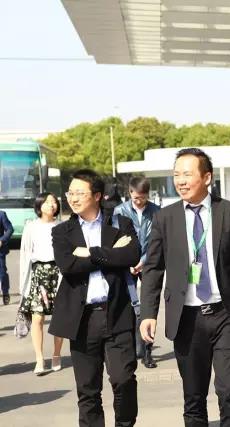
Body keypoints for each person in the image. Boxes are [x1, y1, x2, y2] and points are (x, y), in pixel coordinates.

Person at [140, 148, 230, 427]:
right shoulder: (165, 218)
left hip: (226, 315)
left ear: (207, 177)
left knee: (229, 390)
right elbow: (153, 268)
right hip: (186, 318)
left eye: (187, 174)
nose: (180, 181)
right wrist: (148, 313)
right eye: (176, 175)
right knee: (194, 396)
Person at [50, 169, 141, 427]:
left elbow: (131, 255)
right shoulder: (62, 231)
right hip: (82, 319)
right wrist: (109, 254)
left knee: (124, 380)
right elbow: (68, 266)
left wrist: (88, 252)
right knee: (88, 389)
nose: (73, 198)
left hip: (117, 313)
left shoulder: (120, 223)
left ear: (97, 195)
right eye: (70, 193)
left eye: (80, 193)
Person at [114, 176, 161, 369]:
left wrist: (143, 261)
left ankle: (147, 352)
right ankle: (131, 349)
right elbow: (117, 240)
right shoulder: (120, 211)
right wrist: (128, 261)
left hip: (149, 263)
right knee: (128, 307)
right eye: (135, 197)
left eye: (143, 197)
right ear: (130, 193)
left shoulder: (156, 212)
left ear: (147, 194)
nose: (139, 201)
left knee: (149, 307)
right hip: (126, 264)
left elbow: (158, 241)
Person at [18, 192, 64, 375]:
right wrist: (23, 285)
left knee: (59, 318)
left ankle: (56, 354)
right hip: (38, 275)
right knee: (37, 317)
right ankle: (39, 359)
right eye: (47, 202)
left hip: (58, 274)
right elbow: (25, 254)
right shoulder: (31, 227)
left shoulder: (62, 226)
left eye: (54, 202)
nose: (51, 205)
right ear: (39, 205)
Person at [0, 209, 14, 305]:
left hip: (0, 250)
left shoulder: (1, 214)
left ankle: (5, 292)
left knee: (2, 273)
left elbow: (10, 229)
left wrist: (2, 240)